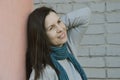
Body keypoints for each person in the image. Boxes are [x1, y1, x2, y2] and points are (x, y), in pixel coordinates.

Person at [26, 6, 91, 80]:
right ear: (42, 36)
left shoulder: (68, 49)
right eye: (51, 28)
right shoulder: (45, 71)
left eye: (59, 21)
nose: (59, 29)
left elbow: (86, 14)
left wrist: (60, 25)